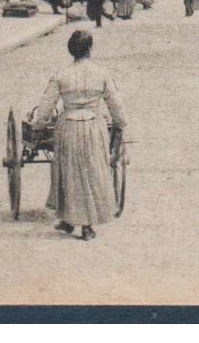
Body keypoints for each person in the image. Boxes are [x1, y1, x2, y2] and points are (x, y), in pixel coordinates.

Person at [31, 29, 127, 241]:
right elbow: (116, 104)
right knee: (92, 170)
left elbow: (46, 107)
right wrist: (120, 124)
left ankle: (68, 219)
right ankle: (86, 226)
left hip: (68, 127)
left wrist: (38, 126)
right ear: (90, 50)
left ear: (71, 50)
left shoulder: (61, 75)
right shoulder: (101, 73)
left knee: (68, 170)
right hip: (94, 126)